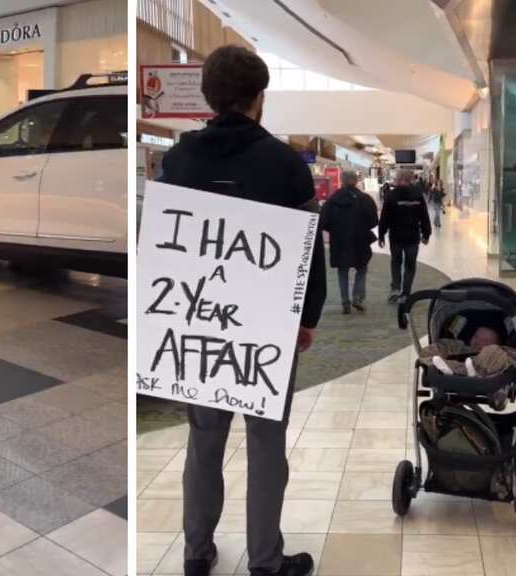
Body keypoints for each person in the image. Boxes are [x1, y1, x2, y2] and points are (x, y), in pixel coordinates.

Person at [159, 45, 326, 576]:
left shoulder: (178, 160)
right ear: (260, 97)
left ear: (208, 95)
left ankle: (196, 551)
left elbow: (161, 245)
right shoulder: (284, 165)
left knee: (203, 437)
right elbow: (308, 251)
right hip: (266, 326)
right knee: (265, 443)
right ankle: (265, 561)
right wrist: (309, 316)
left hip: (198, 323)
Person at [320, 170, 378, 314]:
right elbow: (373, 220)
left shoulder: (332, 200)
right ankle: (357, 297)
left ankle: (345, 301)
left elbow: (324, 221)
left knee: (342, 270)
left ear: (342, 181)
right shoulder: (364, 199)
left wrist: (335, 230)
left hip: (339, 240)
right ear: (357, 181)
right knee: (362, 268)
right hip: (360, 239)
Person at [379, 169, 431, 303]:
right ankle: (406, 293)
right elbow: (424, 216)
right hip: (412, 236)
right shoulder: (418, 195)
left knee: (396, 262)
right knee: (410, 264)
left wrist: (381, 235)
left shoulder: (391, 195)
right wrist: (426, 233)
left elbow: (385, 217)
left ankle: (396, 288)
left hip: (396, 236)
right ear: (411, 179)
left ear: (398, 178)